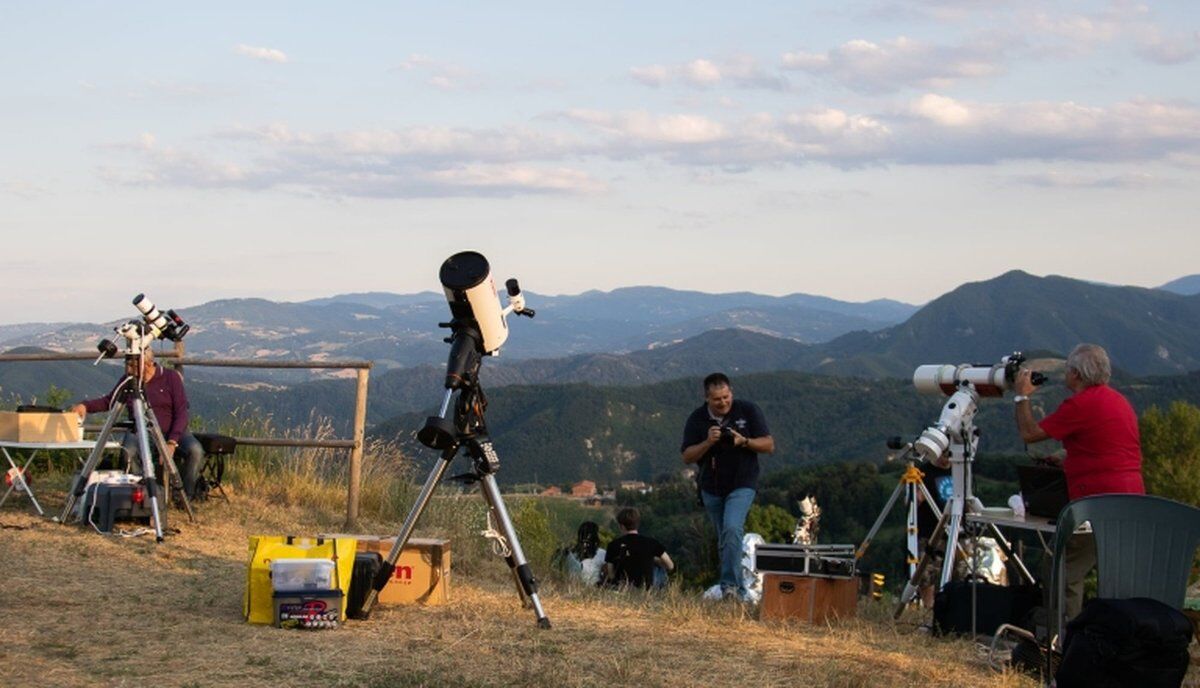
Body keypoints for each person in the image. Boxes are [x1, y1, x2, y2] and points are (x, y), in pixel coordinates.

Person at [1012, 343, 1144, 618]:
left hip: (1098, 504)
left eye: (1068, 370)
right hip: (1130, 502)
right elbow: (1109, 448)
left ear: (1076, 374)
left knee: (1061, 566)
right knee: (1114, 577)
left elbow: (1030, 433)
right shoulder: (1118, 401)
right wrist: (1068, 458)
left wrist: (1021, 398)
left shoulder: (1080, 404)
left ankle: (1064, 640)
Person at [680, 372, 774, 601]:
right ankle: (732, 587)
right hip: (711, 486)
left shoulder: (747, 411)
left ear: (731, 392)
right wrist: (708, 442)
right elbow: (687, 456)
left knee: (732, 529)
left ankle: (731, 589)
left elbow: (769, 444)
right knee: (725, 539)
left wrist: (745, 441)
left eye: (726, 397)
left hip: (743, 482)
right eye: (717, 399)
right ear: (707, 399)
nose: (723, 403)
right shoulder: (697, 419)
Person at [71, 348, 204, 499]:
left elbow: (181, 412)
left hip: (172, 431)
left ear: (147, 364)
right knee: (129, 451)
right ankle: (141, 494)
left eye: (134, 365)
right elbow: (110, 401)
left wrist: (172, 441)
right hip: (140, 430)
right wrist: (85, 406)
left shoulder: (170, 378)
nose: (129, 370)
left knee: (195, 451)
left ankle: (186, 495)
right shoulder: (128, 380)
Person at [603, 507, 674, 589]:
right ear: (637, 524)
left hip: (623, 587)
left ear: (621, 526)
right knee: (659, 568)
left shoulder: (613, 545)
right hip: (647, 588)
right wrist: (654, 560)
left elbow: (611, 574)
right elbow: (670, 565)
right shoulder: (651, 543)